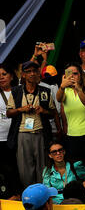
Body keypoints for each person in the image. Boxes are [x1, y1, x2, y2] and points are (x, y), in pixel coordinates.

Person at [6, 60, 56, 188]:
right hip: (23, 134)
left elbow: (52, 113)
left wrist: (43, 110)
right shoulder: (16, 91)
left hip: (40, 133)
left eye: (35, 71)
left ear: (39, 72)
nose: (32, 74)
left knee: (42, 168)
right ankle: (28, 196)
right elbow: (9, 113)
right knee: (25, 170)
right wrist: (21, 109)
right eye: (28, 72)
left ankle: (42, 195)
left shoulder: (45, 91)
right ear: (23, 74)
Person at [56, 62, 85, 172]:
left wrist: (77, 88)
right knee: (76, 166)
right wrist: (62, 86)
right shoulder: (65, 90)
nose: (72, 76)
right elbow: (58, 99)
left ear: (81, 75)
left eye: (75, 73)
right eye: (69, 73)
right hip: (72, 134)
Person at [0, 63, 21, 199]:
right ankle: (11, 194)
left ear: (12, 76)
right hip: (1, 138)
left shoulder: (19, 90)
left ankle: (20, 193)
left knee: (18, 167)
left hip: (18, 136)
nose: (1, 77)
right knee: (5, 168)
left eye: (4, 74)